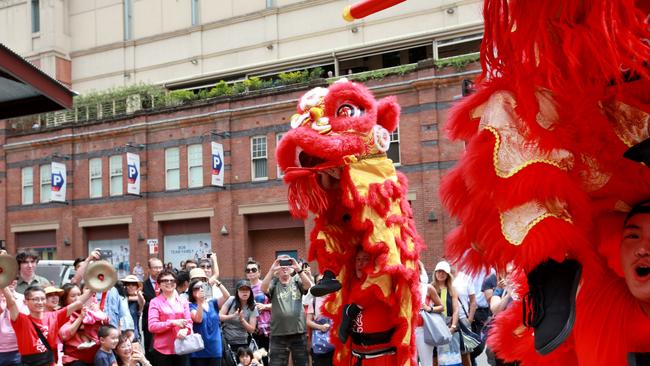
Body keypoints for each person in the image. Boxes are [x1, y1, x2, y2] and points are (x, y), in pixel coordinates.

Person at [1, 284, 93, 366]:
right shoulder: (21, 320)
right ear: (25, 302)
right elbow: (12, 303)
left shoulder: (54, 316)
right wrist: (3, 282)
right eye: (35, 299)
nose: (40, 302)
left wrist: (94, 287)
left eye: (42, 299)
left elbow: (77, 303)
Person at [260, 256, 312, 366]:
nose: (284, 267)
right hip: (278, 334)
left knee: (302, 364)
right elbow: (263, 288)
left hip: (298, 333)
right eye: (281, 264)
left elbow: (308, 285)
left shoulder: (297, 280)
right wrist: (272, 269)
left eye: (287, 264)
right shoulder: (274, 283)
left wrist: (298, 269)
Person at [147, 269, 192, 366]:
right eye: (165, 280)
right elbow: (152, 326)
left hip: (182, 347)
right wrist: (172, 323)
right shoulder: (155, 302)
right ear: (159, 285)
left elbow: (189, 322)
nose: (169, 282)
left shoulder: (183, 301)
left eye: (172, 280)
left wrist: (186, 330)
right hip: (162, 349)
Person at [59, 283, 108, 366]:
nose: (78, 298)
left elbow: (105, 323)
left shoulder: (89, 308)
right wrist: (80, 318)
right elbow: (64, 335)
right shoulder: (62, 314)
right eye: (73, 296)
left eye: (79, 294)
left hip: (96, 356)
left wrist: (98, 312)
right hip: (76, 359)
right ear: (65, 299)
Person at [188, 278, 229, 366]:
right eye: (196, 288)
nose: (200, 289)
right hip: (199, 349)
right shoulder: (190, 306)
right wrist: (199, 302)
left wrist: (217, 283)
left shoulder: (212, 303)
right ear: (192, 292)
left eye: (202, 286)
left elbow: (227, 296)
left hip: (215, 347)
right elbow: (198, 319)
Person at [432, 260, 463, 366]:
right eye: (438, 271)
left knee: (453, 358)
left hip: (450, 326)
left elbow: (456, 310)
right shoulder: (430, 288)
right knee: (435, 358)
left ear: (448, 274)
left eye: (443, 272)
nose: (440, 274)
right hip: (435, 328)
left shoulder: (452, 289)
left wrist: (453, 326)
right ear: (435, 273)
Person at [415, 262, 444, 366]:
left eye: (415, 269)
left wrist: (429, 308)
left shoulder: (427, 288)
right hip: (408, 332)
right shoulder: (404, 288)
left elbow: (441, 307)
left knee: (426, 362)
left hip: (423, 330)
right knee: (411, 362)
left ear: (419, 271)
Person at [305, 273, 335, 366]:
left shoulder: (335, 298)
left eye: (324, 280)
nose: (321, 283)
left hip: (335, 343)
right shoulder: (313, 300)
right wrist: (320, 327)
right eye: (319, 281)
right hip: (320, 343)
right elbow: (308, 321)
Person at [245, 259, 270, 365]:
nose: (250, 272)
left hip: (265, 329)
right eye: (248, 270)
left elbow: (278, 304)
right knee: (253, 357)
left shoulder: (265, 286)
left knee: (263, 356)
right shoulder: (244, 288)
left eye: (253, 269)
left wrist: (265, 306)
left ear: (259, 272)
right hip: (250, 328)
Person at [220, 280, 258, 351]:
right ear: (237, 292)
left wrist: (242, 320)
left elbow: (252, 330)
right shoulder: (231, 300)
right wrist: (232, 316)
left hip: (242, 342)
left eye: (247, 290)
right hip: (226, 340)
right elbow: (219, 317)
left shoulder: (252, 306)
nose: (245, 292)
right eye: (242, 290)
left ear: (250, 292)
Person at [0, 278, 26, 366]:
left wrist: (9, 298)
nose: (12, 280)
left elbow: (23, 321)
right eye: (7, 277)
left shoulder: (24, 298)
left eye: (15, 278)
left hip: (17, 351)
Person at [142, 257, 163, 361]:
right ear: (149, 269)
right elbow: (142, 305)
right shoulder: (142, 285)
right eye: (155, 268)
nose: (159, 270)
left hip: (165, 323)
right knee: (151, 352)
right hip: (149, 324)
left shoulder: (167, 283)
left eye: (160, 267)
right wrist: (155, 305)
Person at [122, 276, 145, 342]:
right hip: (121, 334)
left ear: (137, 287)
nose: (130, 286)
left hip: (134, 335)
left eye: (133, 284)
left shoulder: (138, 299)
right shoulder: (121, 299)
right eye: (128, 284)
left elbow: (142, 302)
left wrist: (139, 294)